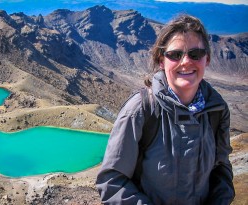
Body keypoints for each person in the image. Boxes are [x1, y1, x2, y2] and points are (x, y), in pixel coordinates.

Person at [96, 14, 235, 205]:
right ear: (162, 61)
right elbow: (111, 181)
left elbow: (221, 169)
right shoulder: (141, 110)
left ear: (207, 59)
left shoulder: (217, 110)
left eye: (195, 54)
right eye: (175, 54)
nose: (186, 61)